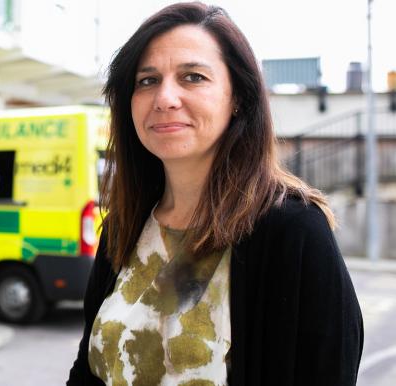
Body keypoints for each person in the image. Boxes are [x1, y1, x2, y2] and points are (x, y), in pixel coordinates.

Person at [67, 2, 363, 386]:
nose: (165, 98)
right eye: (147, 80)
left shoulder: (293, 231)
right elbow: (86, 371)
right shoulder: (122, 229)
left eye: (192, 77)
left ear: (238, 97)